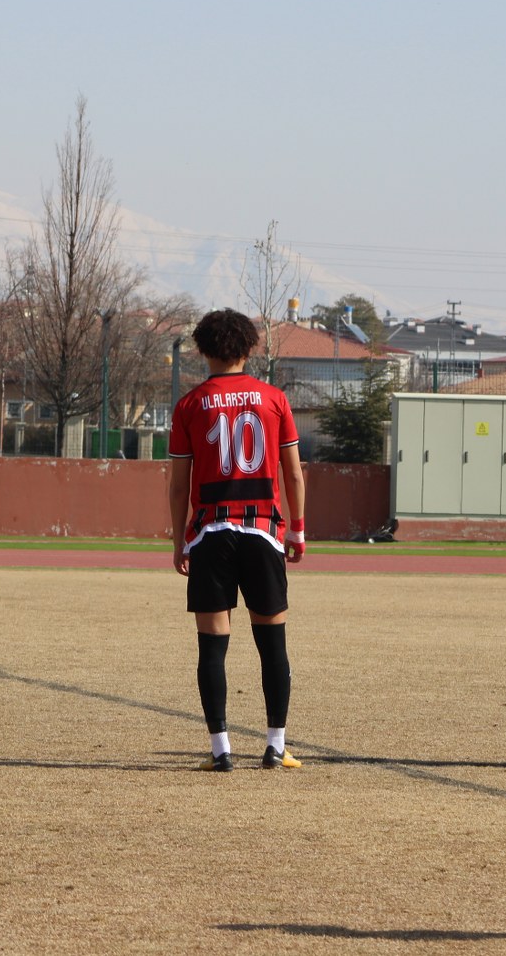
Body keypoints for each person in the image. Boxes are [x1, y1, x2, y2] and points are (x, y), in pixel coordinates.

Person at [168, 309, 306, 772]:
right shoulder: (274, 399)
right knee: (273, 644)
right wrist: (298, 528)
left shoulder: (190, 405)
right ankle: (275, 746)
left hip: (211, 533)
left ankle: (220, 750)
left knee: (212, 646)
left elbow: (178, 485)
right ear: (249, 347)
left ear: (202, 349)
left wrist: (179, 541)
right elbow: (293, 473)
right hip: (263, 531)